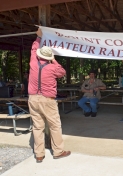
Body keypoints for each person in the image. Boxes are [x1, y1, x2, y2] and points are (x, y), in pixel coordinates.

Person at [28, 28, 71, 163]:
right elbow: (62, 72)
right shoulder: (53, 68)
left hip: (33, 99)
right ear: (49, 57)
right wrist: (54, 60)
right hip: (48, 100)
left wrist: (38, 37)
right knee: (55, 125)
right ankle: (58, 151)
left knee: (37, 127)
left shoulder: (33, 63)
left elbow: (34, 48)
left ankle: (39, 154)